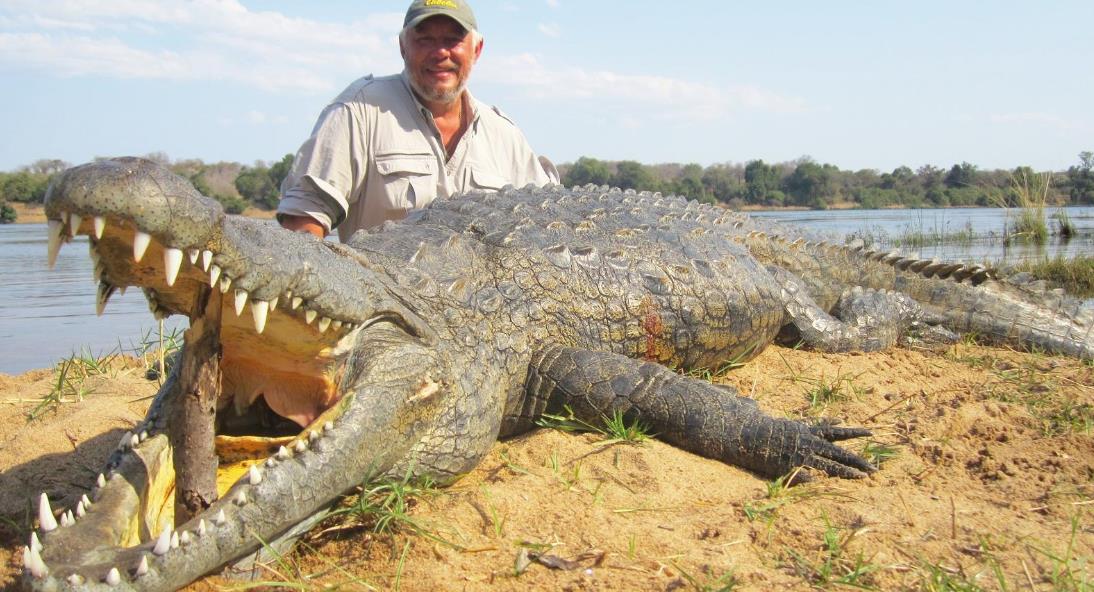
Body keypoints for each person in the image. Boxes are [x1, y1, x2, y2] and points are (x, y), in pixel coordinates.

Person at [277, 0, 556, 242]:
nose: (440, 52)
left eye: (453, 40)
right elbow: (303, 218)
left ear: (477, 49)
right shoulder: (359, 110)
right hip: (380, 299)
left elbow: (554, 223)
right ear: (402, 46)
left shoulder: (504, 134)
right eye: (424, 39)